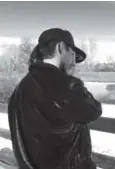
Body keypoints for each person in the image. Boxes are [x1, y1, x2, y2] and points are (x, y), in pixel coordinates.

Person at [8, 28, 102, 169]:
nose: (73, 62)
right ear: (61, 47)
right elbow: (93, 110)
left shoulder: (19, 89)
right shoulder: (66, 84)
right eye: (72, 54)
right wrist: (70, 78)